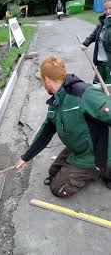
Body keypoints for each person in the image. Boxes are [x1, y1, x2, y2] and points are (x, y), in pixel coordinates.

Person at [16, 55, 111, 198]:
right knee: (53, 172)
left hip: (94, 154)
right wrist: (25, 157)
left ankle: (101, 169)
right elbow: (46, 131)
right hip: (79, 148)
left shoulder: (84, 93)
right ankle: (88, 168)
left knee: (57, 188)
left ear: (46, 79)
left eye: (42, 80)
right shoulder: (57, 99)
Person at [81, 0, 111, 84]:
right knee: (96, 86)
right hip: (100, 63)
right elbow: (94, 35)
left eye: (110, 8)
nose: (108, 11)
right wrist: (85, 43)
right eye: (105, 9)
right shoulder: (102, 22)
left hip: (109, 65)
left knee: (108, 88)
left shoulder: (106, 21)